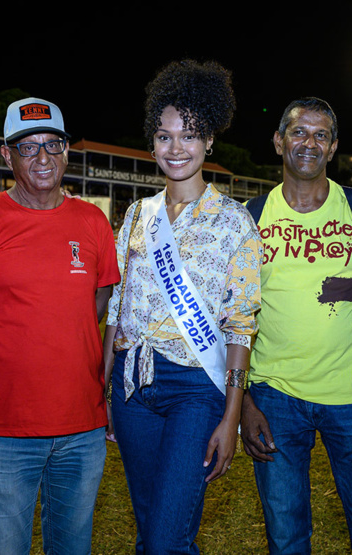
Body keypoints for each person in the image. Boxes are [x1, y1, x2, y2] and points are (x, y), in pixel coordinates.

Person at [102, 59, 263, 554]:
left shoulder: (236, 223)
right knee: (152, 529)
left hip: (196, 389)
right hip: (131, 384)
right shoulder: (136, 215)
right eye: (165, 136)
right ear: (152, 142)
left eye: (189, 135)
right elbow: (116, 308)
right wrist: (105, 387)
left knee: (166, 536)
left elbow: (240, 328)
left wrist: (231, 416)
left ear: (209, 140)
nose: (177, 148)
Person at [0, 97, 119, 555]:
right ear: (7, 155)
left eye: (53, 144)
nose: (43, 158)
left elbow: (96, 305)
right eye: (28, 148)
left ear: (66, 150)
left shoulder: (92, 221)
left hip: (82, 428)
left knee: (72, 547)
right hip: (6, 431)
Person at [240, 97, 352, 554]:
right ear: (278, 141)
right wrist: (245, 403)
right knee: (286, 537)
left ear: (333, 148)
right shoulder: (249, 218)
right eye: (298, 132)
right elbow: (232, 321)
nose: (308, 143)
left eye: (320, 135)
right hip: (274, 397)